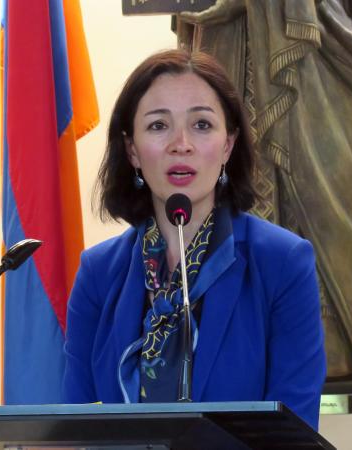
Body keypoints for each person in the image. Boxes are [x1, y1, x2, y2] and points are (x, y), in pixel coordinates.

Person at [61, 49, 326, 429]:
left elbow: (293, 428)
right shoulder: (98, 273)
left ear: (228, 145)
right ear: (132, 150)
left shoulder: (282, 263)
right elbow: (75, 424)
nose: (181, 144)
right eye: (158, 126)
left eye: (201, 124)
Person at [172, 0, 352, 378]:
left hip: (311, 67)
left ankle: (329, 338)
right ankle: (239, 337)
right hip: (225, 54)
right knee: (226, 197)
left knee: (323, 203)